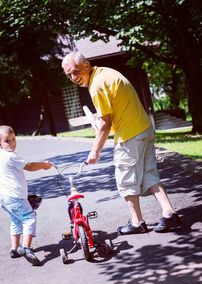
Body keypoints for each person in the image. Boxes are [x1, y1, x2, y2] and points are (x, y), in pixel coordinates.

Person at [61, 51, 181, 234]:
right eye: (68, 74)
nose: (73, 77)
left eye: (75, 71)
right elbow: (110, 115)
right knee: (149, 174)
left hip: (130, 135)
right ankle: (169, 214)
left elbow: (104, 124)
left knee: (125, 180)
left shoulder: (97, 85)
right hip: (144, 129)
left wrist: (95, 151)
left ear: (86, 65)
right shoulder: (105, 73)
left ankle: (137, 222)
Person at [0, 125, 52, 265]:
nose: (12, 143)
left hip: (3, 197)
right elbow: (30, 166)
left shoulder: (0, 154)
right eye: (8, 141)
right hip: (15, 197)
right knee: (29, 218)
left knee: (16, 220)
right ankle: (26, 248)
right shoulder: (10, 156)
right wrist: (44, 165)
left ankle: (14, 249)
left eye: (14, 139)